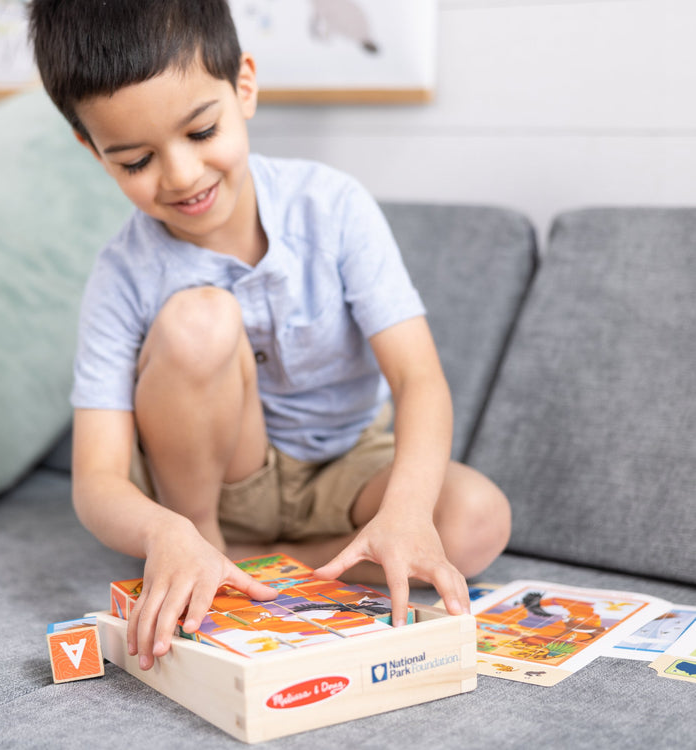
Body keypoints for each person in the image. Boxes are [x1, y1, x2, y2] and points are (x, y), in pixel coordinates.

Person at [28, 0, 511, 672]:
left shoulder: (332, 206)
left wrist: (404, 512)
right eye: (136, 161)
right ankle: (202, 543)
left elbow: (418, 379)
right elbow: (97, 481)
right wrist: (166, 529)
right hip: (217, 486)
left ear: (243, 87)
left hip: (347, 467)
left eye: (201, 132)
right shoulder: (123, 272)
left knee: (478, 518)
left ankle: (256, 569)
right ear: (93, 148)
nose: (182, 175)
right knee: (200, 319)